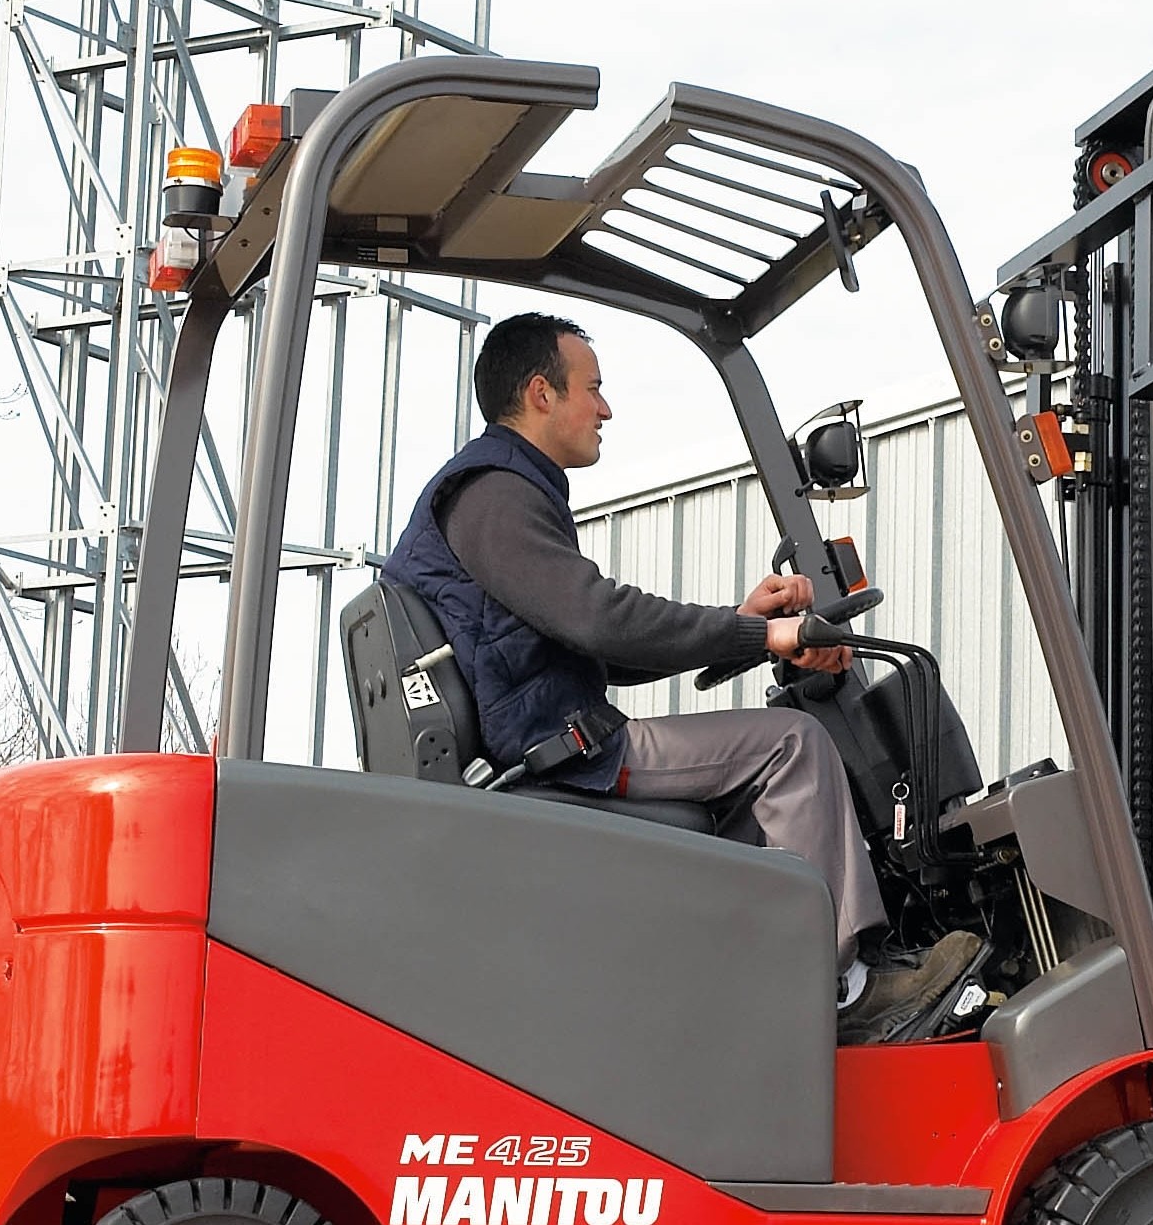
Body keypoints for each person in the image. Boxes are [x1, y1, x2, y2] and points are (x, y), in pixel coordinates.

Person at [383, 312, 980, 1044]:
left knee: (754, 787)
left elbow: (599, 650)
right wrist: (764, 633)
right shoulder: (495, 494)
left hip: (552, 740)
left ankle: (756, 985)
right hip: (565, 754)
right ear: (541, 393)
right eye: (592, 389)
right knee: (792, 744)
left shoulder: (497, 492)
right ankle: (842, 989)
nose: (605, 409)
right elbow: (600, 618)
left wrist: (744, 624)